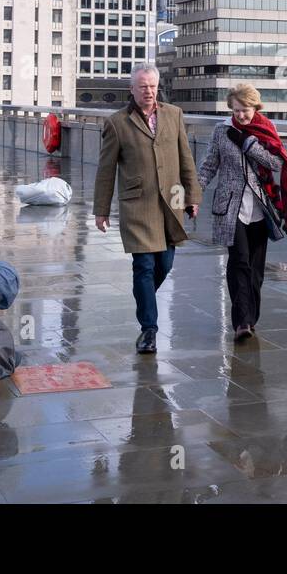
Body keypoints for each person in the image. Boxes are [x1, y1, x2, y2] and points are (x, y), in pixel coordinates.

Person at [93, 64, 200, 355]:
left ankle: (144, 300)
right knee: (144, 265)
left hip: (172, 201)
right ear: (132, 89)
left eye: (152, 86)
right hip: (137, 204)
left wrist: (193, 196)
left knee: (165, 263)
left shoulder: (174, 114)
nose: (149, 91)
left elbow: (185, 157)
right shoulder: (117, 123)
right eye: (142, 86)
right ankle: (149, 330)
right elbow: (106, 170)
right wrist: (100, 210)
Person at [196, 84, 287, 340]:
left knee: (256, 270)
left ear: (255, 108)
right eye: (236, 111)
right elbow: (209, 165)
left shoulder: (266, 129)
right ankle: (241, 323)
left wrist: (248, 144)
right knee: (240, 262)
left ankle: (251, 317)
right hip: (230, 208)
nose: (241, 116)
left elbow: (276, 163)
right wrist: (194, 193)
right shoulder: (222, 130)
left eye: (245, 110)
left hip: (260, 208)